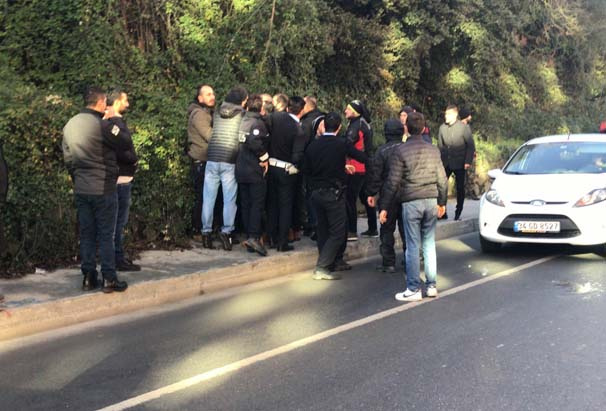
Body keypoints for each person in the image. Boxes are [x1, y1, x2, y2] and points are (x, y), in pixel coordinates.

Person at [62, 86, 132, 293]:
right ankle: (109, 278)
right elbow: (125, 142)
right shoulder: (102, 125)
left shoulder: (70, 124)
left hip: (82, 188)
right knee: (106, 234)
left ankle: (88, 276)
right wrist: (115, 121)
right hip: (103, 187)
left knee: (87, 233)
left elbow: (68, 159)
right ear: (101, 103)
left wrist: (78, 179)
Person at [380, 112, 447, 301]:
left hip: (411, 202)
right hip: (431, 201)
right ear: (424, 128)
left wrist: (384, 206)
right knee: (429, 244)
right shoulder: (434, 150)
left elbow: (392, 182)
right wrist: (442, 202)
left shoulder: (400, 151)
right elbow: (442, 179)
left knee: (412, 245)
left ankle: (413, 288)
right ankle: (432, 285)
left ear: (406, 128)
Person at [303, 112, 367, 280]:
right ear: (339, 127)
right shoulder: (342, 144)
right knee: (338, 231)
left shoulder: (312, 146)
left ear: (324, 125)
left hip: (316, 193)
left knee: (323, 229)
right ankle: (322, 266)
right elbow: (361, 157)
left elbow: (307, 170)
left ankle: (327, 263)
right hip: (334, 193)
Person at [202, 86, 248, 250]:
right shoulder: (242, 115)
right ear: (242, 100)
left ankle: (206, 233)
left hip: (212, 157)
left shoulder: (217, 112)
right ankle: (226, 232)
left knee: (208, 198)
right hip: (229, 159)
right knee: (229, 199)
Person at [105, 89, 140, 272]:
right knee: (118, 223)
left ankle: (116, 258)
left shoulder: (110, 122)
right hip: (120, 179)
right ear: (117, 101)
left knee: (117, 223)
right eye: (125, 99)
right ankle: (117, 259)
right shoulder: (114, 124)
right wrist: (132, 159)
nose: (127, 103)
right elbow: (122, 147)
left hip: (120, 178)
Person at [266, 96, 306, 251]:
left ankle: (271, 237)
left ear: (288, 107)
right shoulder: (298, 130)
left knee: (272, 204)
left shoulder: (275, 118)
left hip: (271, 165)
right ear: (301, 111)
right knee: (285, 206)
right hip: (287, 169)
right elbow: (297, 156)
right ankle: (282, 241)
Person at [366, 119, 406, 273]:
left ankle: (388, 262)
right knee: (406, 229)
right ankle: (409, 260)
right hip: (405, 195)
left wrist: (371, 193)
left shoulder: (381, 151)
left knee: (387, 229)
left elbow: (375, 175)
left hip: (387, 197)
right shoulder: (406, 148)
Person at [235, 94, 270, 256]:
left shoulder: (241, 120)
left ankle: (249, 236)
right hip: (253, 169)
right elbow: (255, 142)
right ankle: (254, 236)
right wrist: (265, 158)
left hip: (240, 168)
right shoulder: (257, 123)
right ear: (260, 108)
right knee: (256, 204)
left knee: (246, 204)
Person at [343, 100, 376, 241]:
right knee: (365, 197)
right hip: (366, 166)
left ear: (355, 112)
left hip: (356, 167)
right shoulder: (364, 123)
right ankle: (373, 228)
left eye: (348, 109)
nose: (345, 110)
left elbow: (348, 145)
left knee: (350, 199)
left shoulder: (356, 126)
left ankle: (351, 231)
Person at [186, 84, 216, 241]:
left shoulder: (206, 113)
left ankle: (205, 228)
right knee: (203, 197)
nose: (212, 97)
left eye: (213, 93)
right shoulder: (199, 115)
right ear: (200, 98)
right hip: (201, 161)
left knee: (207, 196)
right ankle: (198, 230)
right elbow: (210, 136)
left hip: (204, 160)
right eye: (208, 94)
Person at [437, 104, 475, 220]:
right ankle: (442, 210)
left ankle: (458, 212)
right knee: (441, 186)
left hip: (460, 162)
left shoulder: (463, 127)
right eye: (445, 114)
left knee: (460, 188)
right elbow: (440, 146)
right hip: (446, 162)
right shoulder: (442, 128)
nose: (446, 117)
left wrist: (467, 161)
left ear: (455, 115)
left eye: (448, 114)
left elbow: (470, 146)